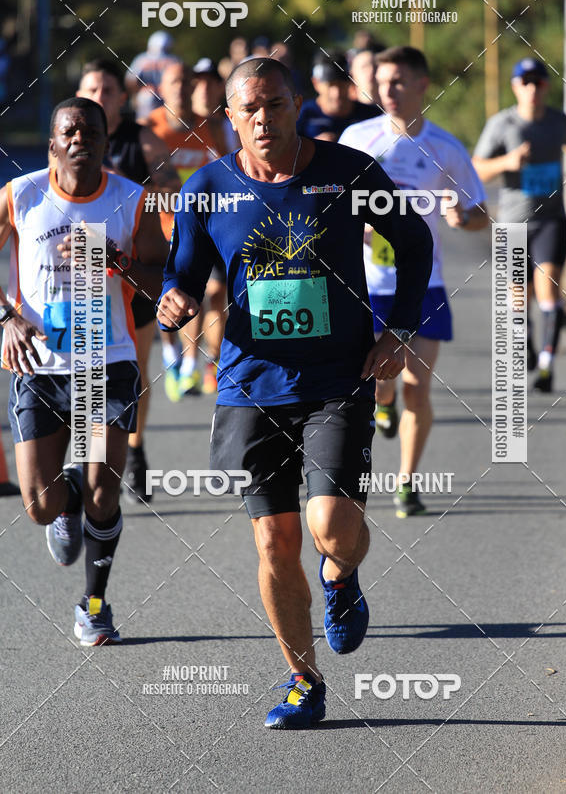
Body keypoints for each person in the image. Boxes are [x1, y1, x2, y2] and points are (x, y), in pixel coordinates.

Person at [157, 58, 432, 728]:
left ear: (297, 104)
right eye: (250, 109)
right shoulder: (207, 190)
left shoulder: (346, 173)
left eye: (276, 105)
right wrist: (176, 302)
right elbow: (185, 276)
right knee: (275, 543)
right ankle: (302, 681)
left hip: (338, 376)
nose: (264, 119)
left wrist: (398, 329)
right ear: (230, 117)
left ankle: (341, 575)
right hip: (251, 385)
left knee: (328, 528)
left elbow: (414, 240)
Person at [0, 97, 165, 644]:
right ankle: (64, 494)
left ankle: (94, 604)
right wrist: (8, 317)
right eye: (68, 131)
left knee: (104, 494)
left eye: (90, 131)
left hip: (105, 362)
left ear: (103, 139)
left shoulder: (130, 199)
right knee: (42, 508)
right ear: (53, 142)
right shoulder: (21, 196)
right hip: (41, 365)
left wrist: (115, 262)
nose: (79, 139)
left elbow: (157, 279)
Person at [340, 46, 488, 518]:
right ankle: (381, 406)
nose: (389, 91)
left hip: (424, 286)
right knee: (377, 385)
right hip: (365, 287)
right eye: (382, 82)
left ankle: (406, 483)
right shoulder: (357, 139)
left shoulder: (445, 147)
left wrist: (462, 218)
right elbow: (327, 203)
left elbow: (482, 212)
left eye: (399, 81)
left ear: (423, 86)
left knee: (416, 387)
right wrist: (356, 224)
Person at [77, 59, 176, 502]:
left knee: (133, 372)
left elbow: (173, 189)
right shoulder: (69, 138)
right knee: (85, 371)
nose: (99, 96)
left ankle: (134, 449)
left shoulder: (141, 139)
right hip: (80, 275)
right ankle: (88, 460)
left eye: (107, 89)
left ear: (122, 97)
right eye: (91, 88)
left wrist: (129, 195)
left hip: (132, 271)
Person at [472, 57, 566, 392]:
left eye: (538, 81)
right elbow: (476, 168)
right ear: (514, 86)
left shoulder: (558, 121)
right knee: (519, 298)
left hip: (551, 219)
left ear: (546, 86)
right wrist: (507, 162)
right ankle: (527, 345)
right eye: (525, 82)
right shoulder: (502, 124)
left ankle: (547, 366)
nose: (532, 88)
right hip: (513, 223)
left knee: (548, 288)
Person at [144, 62, 221, 399]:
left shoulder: (210, 127)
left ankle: (191, 364)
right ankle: (170, 350)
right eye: (175, 81)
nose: (182, 87)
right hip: (161, 228)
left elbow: (226, 166)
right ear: (162, 88)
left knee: (205, 292)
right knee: (167, 297)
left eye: (187, 81)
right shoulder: (150, 128)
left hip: (202, 228)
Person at [191, 57, 236, 393]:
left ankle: (211, 360)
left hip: (221, 223)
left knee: (217, 293)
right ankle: (185, 360)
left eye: (211, 82)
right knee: (189, 291)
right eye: (199, 82)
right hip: (184, 225)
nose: (205, 88)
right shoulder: (170, 126)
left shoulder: (229, 126)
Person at [296, 53, 380, 142]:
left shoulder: (372, 116)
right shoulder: (299, 116)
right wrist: (312, 146)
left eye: (341, 85)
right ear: (316, 83)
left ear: (351, 82)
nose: (336, 93)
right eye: (330, 85)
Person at [125, 31, 180, 120]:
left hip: (161, 103)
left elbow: (130, 80)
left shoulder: (141, 59)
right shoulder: (174, 60)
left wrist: (137, 93)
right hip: (154, 102)